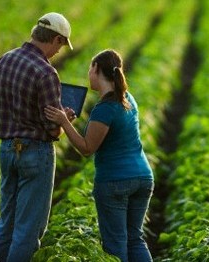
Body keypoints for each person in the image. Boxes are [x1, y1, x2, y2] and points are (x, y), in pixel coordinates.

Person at [44, 49, 154, 262]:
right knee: (135, 239)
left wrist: (64, 122)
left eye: (90, 68)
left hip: (115, 181)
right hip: (143, 177)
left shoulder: (105, 109)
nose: (88, 73)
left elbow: (86, 148)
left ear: (96, 69)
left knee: (115, 244)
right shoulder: (128, 99)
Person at [0, 12, 76, 262]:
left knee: (6, 223)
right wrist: (64, 121)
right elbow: (51, 129)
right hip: (35, 153)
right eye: (62, 45)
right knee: (28, 229)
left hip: (7, 149)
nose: (60, 51)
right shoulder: (46, 73)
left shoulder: (3, 61)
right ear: (57, 39)